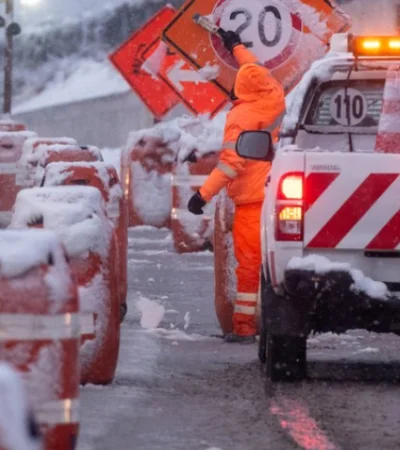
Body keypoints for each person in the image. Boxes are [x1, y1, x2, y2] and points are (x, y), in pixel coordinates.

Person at [187, 30, 286, 344]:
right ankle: (282, 318)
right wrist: (236, 47)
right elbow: (257, 69)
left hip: (253, 200)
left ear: (240, 86)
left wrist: (202, 195)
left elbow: (231, 163)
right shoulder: (274, 95)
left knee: (249, 266)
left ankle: (244, 326)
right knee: (279, 264)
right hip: (278, 197)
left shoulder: (241, 116)